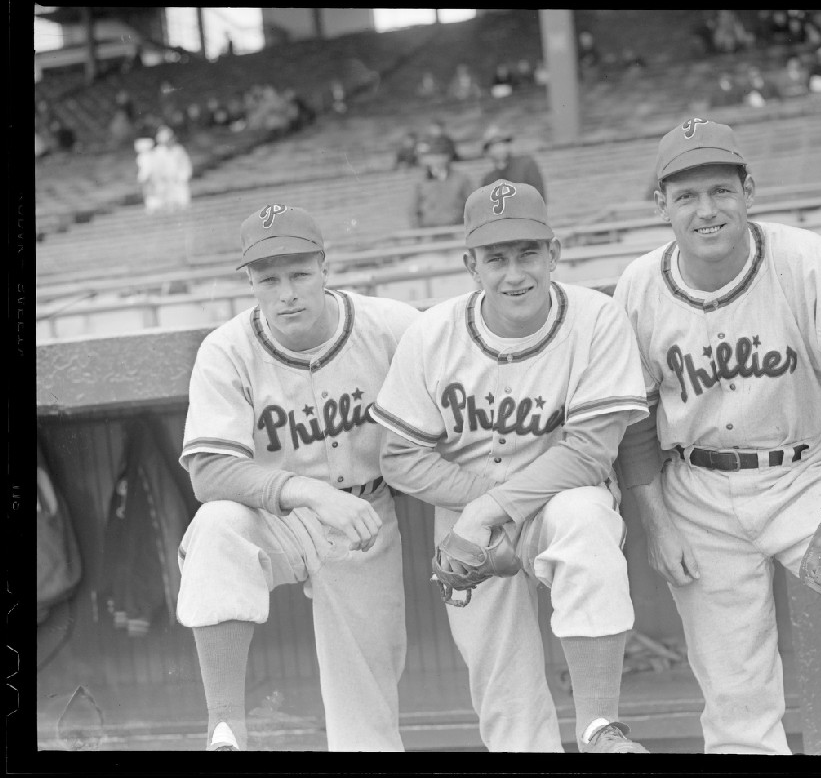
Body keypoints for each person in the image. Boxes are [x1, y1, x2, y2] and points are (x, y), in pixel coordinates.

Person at [612, 118, 821, 755]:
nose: (706, 209)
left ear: (750, 191)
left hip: (807, 472)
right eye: (685, 196)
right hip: (697, 488)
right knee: (732, 687)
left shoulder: (803, 258)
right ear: (660, 204)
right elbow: (635, 417)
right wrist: (657, 523)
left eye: (720, 190)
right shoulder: (639, 285)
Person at [373, 180, 651, 753]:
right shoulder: (433, 333)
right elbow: (399, 457)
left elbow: (593, 448)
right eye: (496, 258)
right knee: (502, 688)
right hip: (467, 516)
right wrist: (482, 504)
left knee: (586, 522)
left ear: (555, 252)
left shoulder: (597, 318)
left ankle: (601, 729)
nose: (514, 273)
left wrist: (489, 508)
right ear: (470, 265)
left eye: (528, 253)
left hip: (559, 497)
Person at [175, 203, 420, 751]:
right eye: (269, 279)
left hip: (363, 518)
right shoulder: (227, 349)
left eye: (299, 274)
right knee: (217, 526)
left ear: (325, 268)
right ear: (251, 284)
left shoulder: (392, 325)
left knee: (367, 713)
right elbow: (209, 470)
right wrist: (306, 492)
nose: (286, 292)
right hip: (277, 519)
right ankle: (224, 728)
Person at [407, 138, 472, 228]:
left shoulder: (461, 179)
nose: (436, 159)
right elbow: (413, 210)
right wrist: (417, 234)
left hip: (457, 230)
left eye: (440, 155)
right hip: (429, 232)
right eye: (432, 156)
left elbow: (472, 206)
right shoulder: (420, 182)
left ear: (447, 157)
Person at [479, 126, 547, 202]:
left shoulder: (527, 165)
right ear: (487, 152)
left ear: (508, 145)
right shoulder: (488, 180)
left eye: (501, 143)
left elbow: (539, 197)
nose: (499, 149)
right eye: (493, 146)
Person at [148, 127, 193, 212]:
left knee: (182, 200)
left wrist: (183, 176)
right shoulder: (158, 152)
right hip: (164, 181)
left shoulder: (178, 149)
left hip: (178, 180)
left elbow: (185, 164)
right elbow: (156, 168)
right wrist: (160, 178)